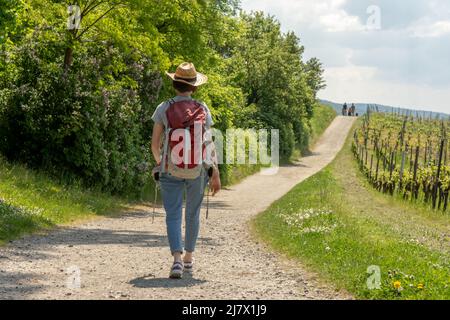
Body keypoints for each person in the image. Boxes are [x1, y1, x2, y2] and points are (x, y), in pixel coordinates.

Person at [151, 62, 221, 279]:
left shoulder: (164, 108)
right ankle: (189, 258)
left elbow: (155, 144)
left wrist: (161, 163)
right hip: (196, 170)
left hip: (169, 169)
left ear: (174, 84)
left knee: (172, 214)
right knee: (192, 214)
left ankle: (177, 261)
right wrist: (215, 171)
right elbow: (208, 143)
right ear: (194, 87)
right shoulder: (203, 109)